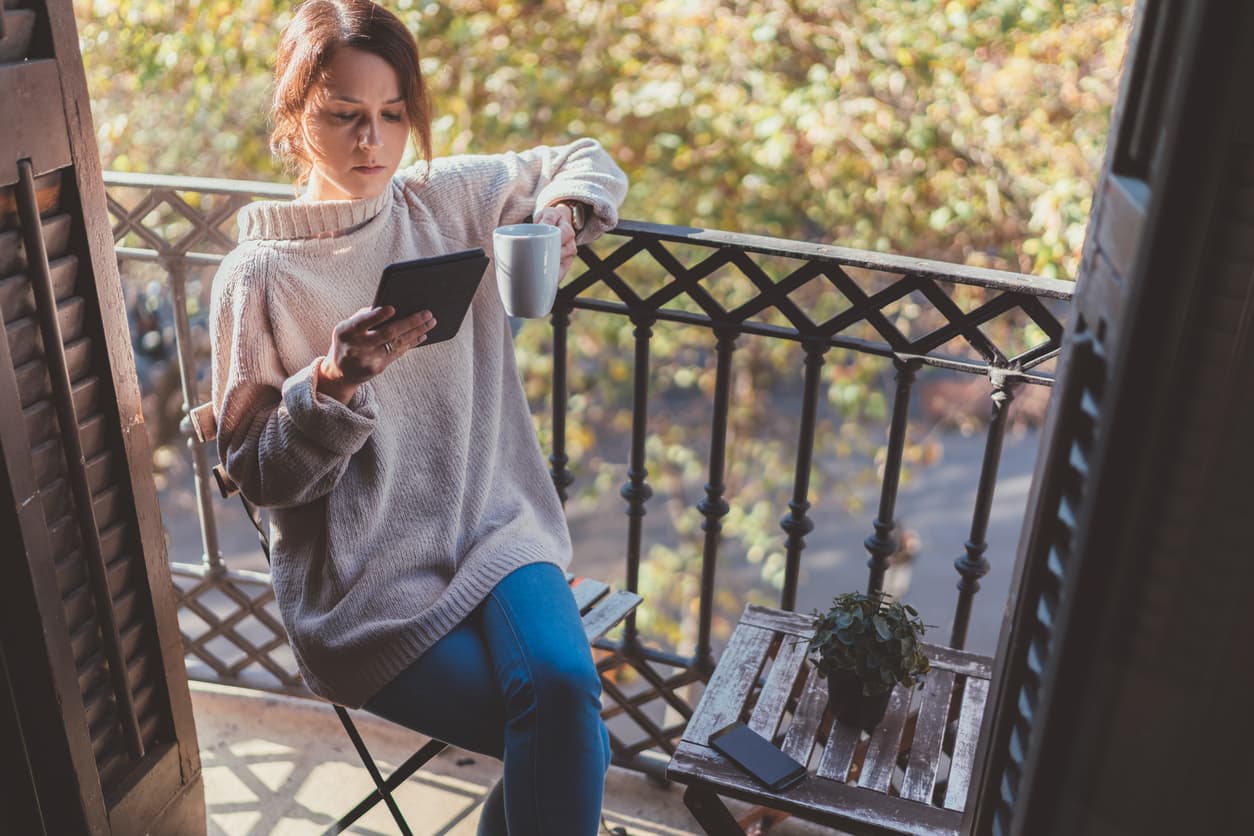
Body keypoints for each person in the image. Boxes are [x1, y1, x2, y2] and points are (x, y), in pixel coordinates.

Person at [208, 2, 628, 833]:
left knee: (566, 700)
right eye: (345, 116)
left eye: (393, 116)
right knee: (567, 729)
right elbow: (256, 471)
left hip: (497, 529)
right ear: (295, 118)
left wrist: (566, 210)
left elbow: (582, 155)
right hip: (364, 589)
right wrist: (331, 386)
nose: (374, 142)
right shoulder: (255, 276)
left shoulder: (446, 200)